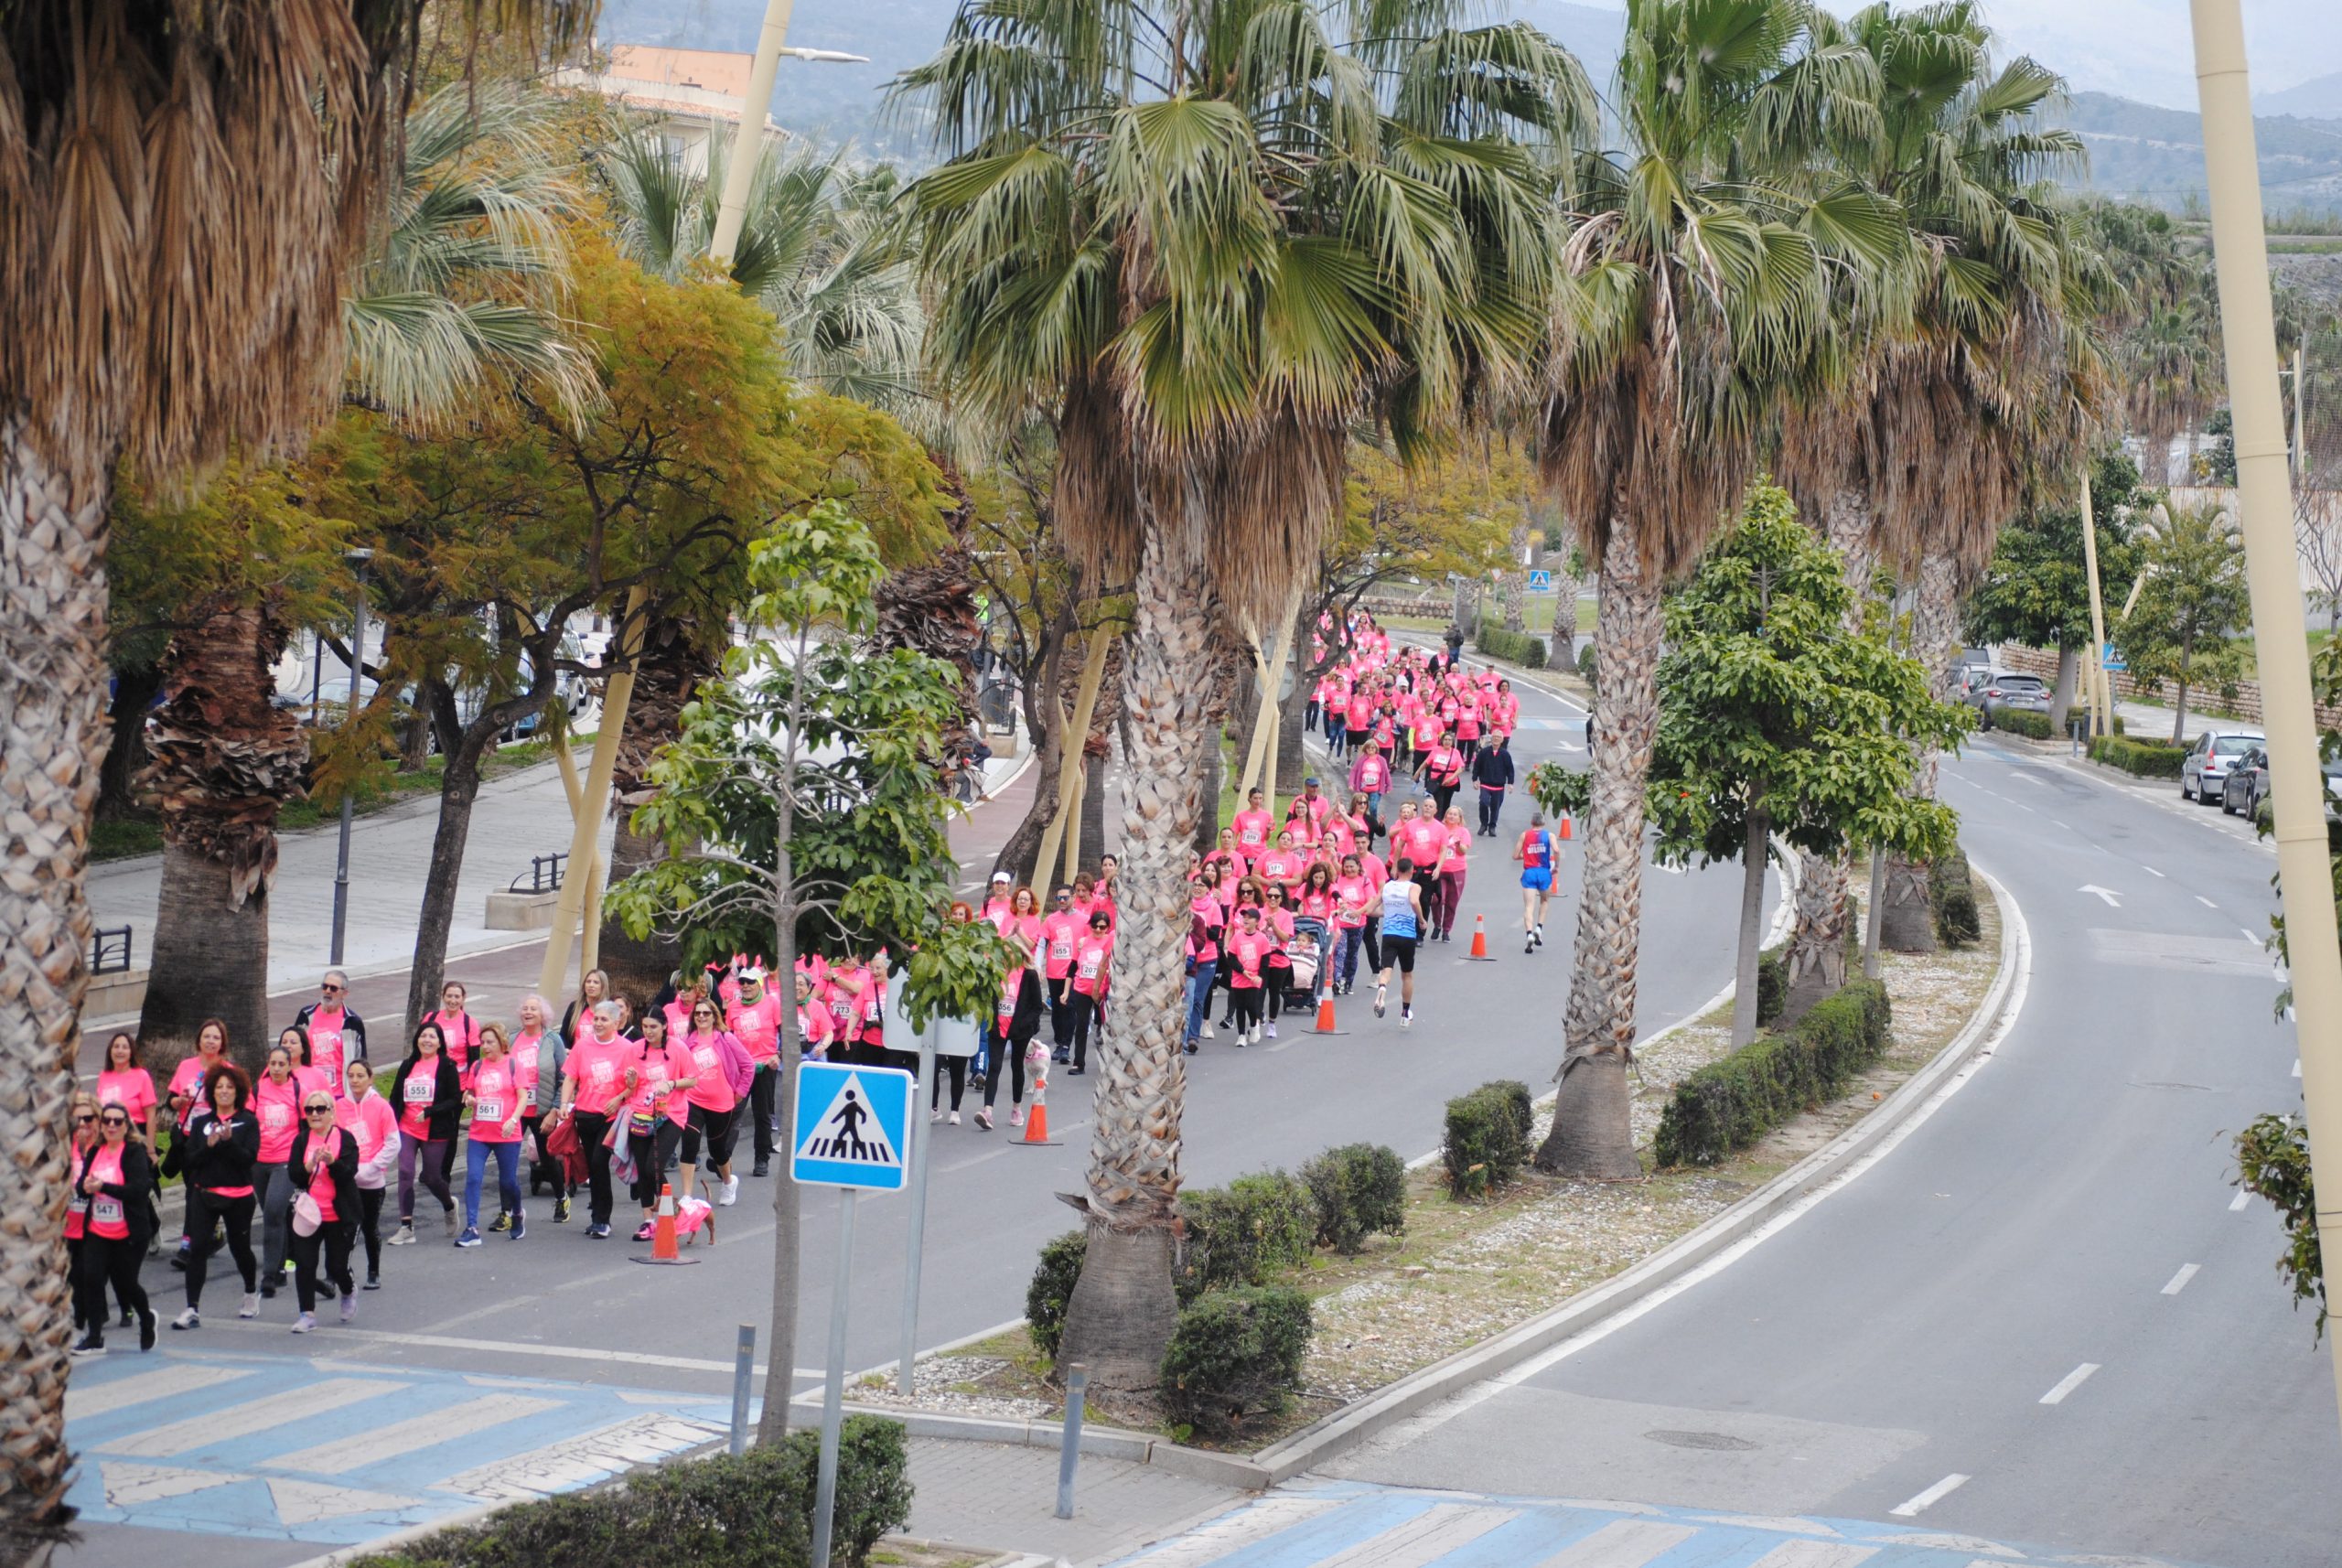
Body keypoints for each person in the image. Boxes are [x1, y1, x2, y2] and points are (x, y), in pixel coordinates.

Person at [167, 1063, 260, 1328]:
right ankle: (191, 1309)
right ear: (211, 1091)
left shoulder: (248, 1121)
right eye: (219, 1087)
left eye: (229, 1087)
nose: (224, 1091)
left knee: (240, 1248)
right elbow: (192, 1160)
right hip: (205, 1194)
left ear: (238, 1091)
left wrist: (229, 1142)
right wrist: (209, 1147)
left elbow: (248, 1159)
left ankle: (251, 1292)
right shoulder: (201, 1123)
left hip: (239, 1195)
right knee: (197, 1249)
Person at [71, 1099, 158, 1354]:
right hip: (98, 1229)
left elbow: (139, 1190)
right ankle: (95, 1337)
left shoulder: (133, 1152)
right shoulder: (96, 1150)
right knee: (92, 1279)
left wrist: (104, 1187)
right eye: (106, 1120)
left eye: (117, 1121)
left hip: (128, 1233)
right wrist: (85, 1188)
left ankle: (146, 1319)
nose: (111, 1125)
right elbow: (83, 1186)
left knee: (127, 1284)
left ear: (125, 1125)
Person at [285, 1088, 360, 1331]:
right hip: (309, 1215)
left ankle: (348, 1291)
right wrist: (309, 1165)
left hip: (339, 1214)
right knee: (305, 1264)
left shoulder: (345, 1138)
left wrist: (332, 1163)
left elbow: (350, 1174)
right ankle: (307, 1314)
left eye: (320, 1109)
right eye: (309, 1110)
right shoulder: (302, 1139)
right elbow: (294, 1175)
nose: (314, 1114)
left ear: (331, 1112)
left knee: (337, 1267)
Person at [555, 1001, 631, 1239]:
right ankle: (596, 1217)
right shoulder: (582, 1046)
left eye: (604, 1020)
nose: (598, 1024)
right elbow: (570, 1078)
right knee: (591, 1166)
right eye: (596, 1019)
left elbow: (635, 1084)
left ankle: (603, 1219)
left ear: (616, 1023)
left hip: (610, 1117)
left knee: (599, 1162)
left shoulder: (627, 1048)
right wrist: (564, 1105)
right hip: (584, 1114)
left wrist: (619, 1099)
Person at [385, 1022, 462, 1246]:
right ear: (417, 1039)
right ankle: (406, 1226)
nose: (427, 1040)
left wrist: (430, 1111)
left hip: (435, 1129)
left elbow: (455, 1100)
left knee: (431, 1177)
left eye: (432, 1037)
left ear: (440, 1043)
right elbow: (395, 1097)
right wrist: (390, 1121)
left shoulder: (447, 1066)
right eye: (423, 1035)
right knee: (405, 1171)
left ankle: (449, 1205)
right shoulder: (408, 1065)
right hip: (407, 1127)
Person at [677, 997, 754, 1207]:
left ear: (714, 1016)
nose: (701, 1017)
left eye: (706, 1013)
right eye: (698, 1013)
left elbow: (748, 1065)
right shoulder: (687, 1042)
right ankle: (686, 1196)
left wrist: (740, 1092)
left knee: (717, 1149)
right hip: (693, 1101)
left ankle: (729, 1181)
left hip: (722, 1104)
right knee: (689, 1145)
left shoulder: (726, 1039)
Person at [624, 1012, 693, 1240]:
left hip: (671, 1114)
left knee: (651, 1167)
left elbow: (693, 1079)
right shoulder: (635, 1049)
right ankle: (648, 1222)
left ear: (665, 1026)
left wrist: (671, 1083)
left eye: (653, 1026)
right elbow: (630, 1086)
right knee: (642, 1172)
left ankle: (674, 1213)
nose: (648, 1031)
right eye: (644, 1026)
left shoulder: (678, 1048)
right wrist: (631, 1081)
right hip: (641, 1113)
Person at [457, 1024, 526, 1246]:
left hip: (507, 1134)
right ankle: (472, 1228)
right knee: (473, 1178)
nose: (485, 1047)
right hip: (480, 1133)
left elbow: (523, 1097)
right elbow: (469, 1093)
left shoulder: (514, 1065)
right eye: (483, 1042)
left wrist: (513, 1119)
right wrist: (469, 1099)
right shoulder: (477, 1066)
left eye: (490, 1042)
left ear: (501, 1043)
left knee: (507, 1182)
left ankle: (517, 1213)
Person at [335, 1058, 397, 1288]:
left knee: (369, 1227)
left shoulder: (381, 1106)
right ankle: (340, 1272)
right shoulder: (340, 1107)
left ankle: (374, 1272)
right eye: (351, 1075)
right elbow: (335, 1141)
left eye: (360, 1075)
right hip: (348, 1179)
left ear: (370, 1078)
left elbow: (393, 1143)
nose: (355, 1080)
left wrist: (373, 1168)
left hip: (372, 1180)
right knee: (345, 1228)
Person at [251, 1042, 305, 1296]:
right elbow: (248, 1123)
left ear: (289, 1065)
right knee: (275, 1215)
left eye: (281, 1064)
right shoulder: (258, 1089)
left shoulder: (296, 1090)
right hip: (259, 1163)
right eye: (272, 1063)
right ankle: (282, 1266)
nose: (276, 1068)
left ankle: (269, 1275)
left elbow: (306, 1126)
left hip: (285, 1162)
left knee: (273, 1210)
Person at [510, 993, 568, 1225]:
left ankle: (561, 1198)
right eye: (525, 1008)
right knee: (509, 1158)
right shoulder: (512, 1038)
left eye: (533, 1009)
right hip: (517, 1109)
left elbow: (564, 1077)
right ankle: (508, 1211)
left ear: (542, 1014)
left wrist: (555, 1109)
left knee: (547, 1157)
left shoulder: (552, 1040)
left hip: (542, 1108)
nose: (528, 1012)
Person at [726, 965, 783, 1176]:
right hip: (741, 1068)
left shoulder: (772, 1003)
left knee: (762, 1115)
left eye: (750, 982)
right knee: (733, 1113)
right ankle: (723, 1158)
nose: (746, 986)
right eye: (742, 982)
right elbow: (728, 1037)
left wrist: (779, 1054)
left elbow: (785, 1031)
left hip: (764, 1067)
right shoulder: (733, 1007)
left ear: (759, 983)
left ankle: (762, 1159)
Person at [977, 961, 1042, 1131]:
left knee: (1016, 1066)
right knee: (994, 1066)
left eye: (1011, 951)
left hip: (1020, 1029)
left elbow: (1037, 1007)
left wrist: (1023, 1023)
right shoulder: (995, 972)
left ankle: (1016, 1108)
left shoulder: (1029, 975)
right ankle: (988, 1111)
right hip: (998, 1027)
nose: (1007, 955)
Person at [291, 971, 369, 1083]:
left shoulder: (352, 1022)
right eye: (325, 986)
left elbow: (361, 1061)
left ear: (345, 993)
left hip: (338, 1093)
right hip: (307, 1089)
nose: (327, 991)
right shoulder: (306, 1015)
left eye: (333, 988)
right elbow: (292, 1049)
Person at [1375, 856, 1425, 1027]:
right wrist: (1421, 919)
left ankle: (1382, 987)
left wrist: (1357, 912)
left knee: (1386, 970)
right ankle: (1405, 1013)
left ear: (1397, 871)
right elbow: (1413, 901)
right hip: (1407, 935)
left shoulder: (1387, 887)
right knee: (1407, 974)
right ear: (1411, 871)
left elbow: (1372, 907)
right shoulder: (1413, 886)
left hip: (1389, 934)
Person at [95, 1032, 161, 1153]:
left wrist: (150, 1149)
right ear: (110, 1050)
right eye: (116, 1047)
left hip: (134, 1136)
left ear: (131, 1053)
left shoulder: (142, 1076)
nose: (120, 1051)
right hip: (109, 1136)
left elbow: (151, 1116)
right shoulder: (103, 1076)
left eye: (125, 1047)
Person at [1067, 908, 1113, 1074]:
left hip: (1103, 990)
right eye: (1095, 926)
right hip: (1082, 988)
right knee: (1081, 1025)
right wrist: (1066, 991)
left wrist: (1103, 984)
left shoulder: (1111, 941)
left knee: (1107, 1027)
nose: (1098, 930)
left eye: (1102, 927)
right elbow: (1072, 967)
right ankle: (1079, 1063)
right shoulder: (1083, 942)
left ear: (1108, 927)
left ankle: (1110, 1063)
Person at [1040, 886, 1082, 1064]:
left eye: (1065, 898)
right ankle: (1058, 1043)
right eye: (1059, 898)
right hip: (1054, 972)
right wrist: (1037, 966)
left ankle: (1066, 1046)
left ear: (1073, 897)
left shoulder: (1084, 920)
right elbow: (1042, 943)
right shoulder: (1051, 920)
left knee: (1070, 1007)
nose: (1062, 901)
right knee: (1057, 1009)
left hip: (1073, 972)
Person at [1223, 906, 1274, 1047]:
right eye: (1244, 917)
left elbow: (1265, 961)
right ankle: (1241, 1035)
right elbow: (1231, 958)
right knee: (1240, 1006)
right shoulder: (1237, 936)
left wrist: (1260, 976)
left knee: (1251, 1005)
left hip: (1254, 978)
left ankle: (1253, 1025)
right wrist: (1241, 970)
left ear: (1257, 921)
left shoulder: (1262, 938)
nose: (1245, 920)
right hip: (1239, 977)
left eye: (1249, 917)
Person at [1183, 878, 1224, 1056]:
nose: (1198, 888)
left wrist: (1200, 926)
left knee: (1197, 999)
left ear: (1209, 889)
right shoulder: (1184, 908)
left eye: (1202, 885)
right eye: (1195, 884)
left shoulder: (1213, 907)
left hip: (1207, 959)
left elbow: (1215, 935)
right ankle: (1181, 1037)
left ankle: (1192, 1037)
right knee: (1185, 1001)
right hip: (1185, 960)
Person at [1515, 810, 1561, 951]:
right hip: (1544, 872)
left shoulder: (1524, 835)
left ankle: (1529, 933)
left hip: (1529, 872)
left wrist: (1528, 855)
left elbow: (1515, 855)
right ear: (1544, 823)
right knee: (1545, 901)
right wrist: (1556, 866)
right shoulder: (1549, 835)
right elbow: (1557, 851)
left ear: (1531, 823)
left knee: (1529, 906)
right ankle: (1539, 928)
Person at [1434, 805, 1472, 942]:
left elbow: (1463, 851)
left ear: (1459, 818)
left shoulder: (1463, 832)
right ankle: (1437, 924)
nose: (1451, 816)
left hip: (1457, 870)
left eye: (1455, 815)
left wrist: (1458, 843)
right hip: (1441, 869)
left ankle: (1446, 930)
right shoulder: (1439, 829)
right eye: (1450, 814)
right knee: (1437, 899)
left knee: (1452, 902)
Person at [1472, 733, 1515, 835]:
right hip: (1485, 784)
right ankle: (1483, 824)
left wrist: (1510, 783)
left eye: (1498, 737)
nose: (1496, 739)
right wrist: (1475, 780)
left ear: (1502, 740)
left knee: (1495, 808)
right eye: (1494, 737)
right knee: (1483, 802)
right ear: (1491, 739)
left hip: (1499, 786)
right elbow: (1477, 766)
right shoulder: (1484, 752)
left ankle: (1492, 826)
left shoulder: (1505, 754)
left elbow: (1510, 770)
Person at [561, 968, 611, 1045]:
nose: (591, 985)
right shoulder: (574, 1007)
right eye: (588, 982)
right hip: (576, 1054)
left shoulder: (610, 1009)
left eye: (596, 982)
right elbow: (563, 1035)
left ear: (603, 986)